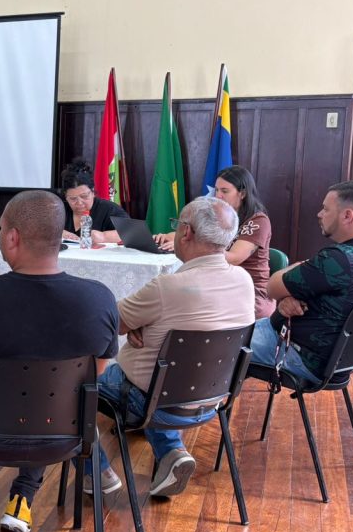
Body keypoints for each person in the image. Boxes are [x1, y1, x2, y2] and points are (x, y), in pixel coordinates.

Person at [0, 190, 120, 532]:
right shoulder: (99, 298)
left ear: (12, 237)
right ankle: (23, 494)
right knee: (52, 400)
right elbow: (97, 371)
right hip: (61, 437)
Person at [88, 197, 255, 498]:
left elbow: (110, 323)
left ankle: (97, 471)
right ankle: (171, 453)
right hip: (213, 399)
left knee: (73, 384)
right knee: (166, 378)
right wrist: (142, 325)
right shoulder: (244, 280)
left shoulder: (167, 287)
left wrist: (136, 325)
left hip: (146, 399)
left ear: (186, 232)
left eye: (177, 224)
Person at [248, 180, 353, 383]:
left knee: (219, 343)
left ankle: (213, 401)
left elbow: (272, 288)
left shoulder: (338, 259)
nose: (319, 214)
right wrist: (290, 299)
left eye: (326, 209)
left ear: (347, 215)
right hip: (341, 363)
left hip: (298, 356)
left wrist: (300, 265)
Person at [155, 165, 275, 318]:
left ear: (243, 193)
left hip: (250, 292)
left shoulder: (258, 221)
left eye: (224, 191)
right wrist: (175, 236)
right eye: (216, 190)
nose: (218, 196)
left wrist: (190, 244)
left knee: (186, 308)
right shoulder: (219, 215)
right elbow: (201, 235)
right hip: (220, 284)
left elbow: (234, 258)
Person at [57, 158, 128, 244]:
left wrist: (103, 237)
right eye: (73, 198)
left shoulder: (109, 209)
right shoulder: (58, 209)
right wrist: (56, 233)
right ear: (65, 196)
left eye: (84, 196)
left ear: (93, 192)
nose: (79, 203)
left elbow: (132, 233)